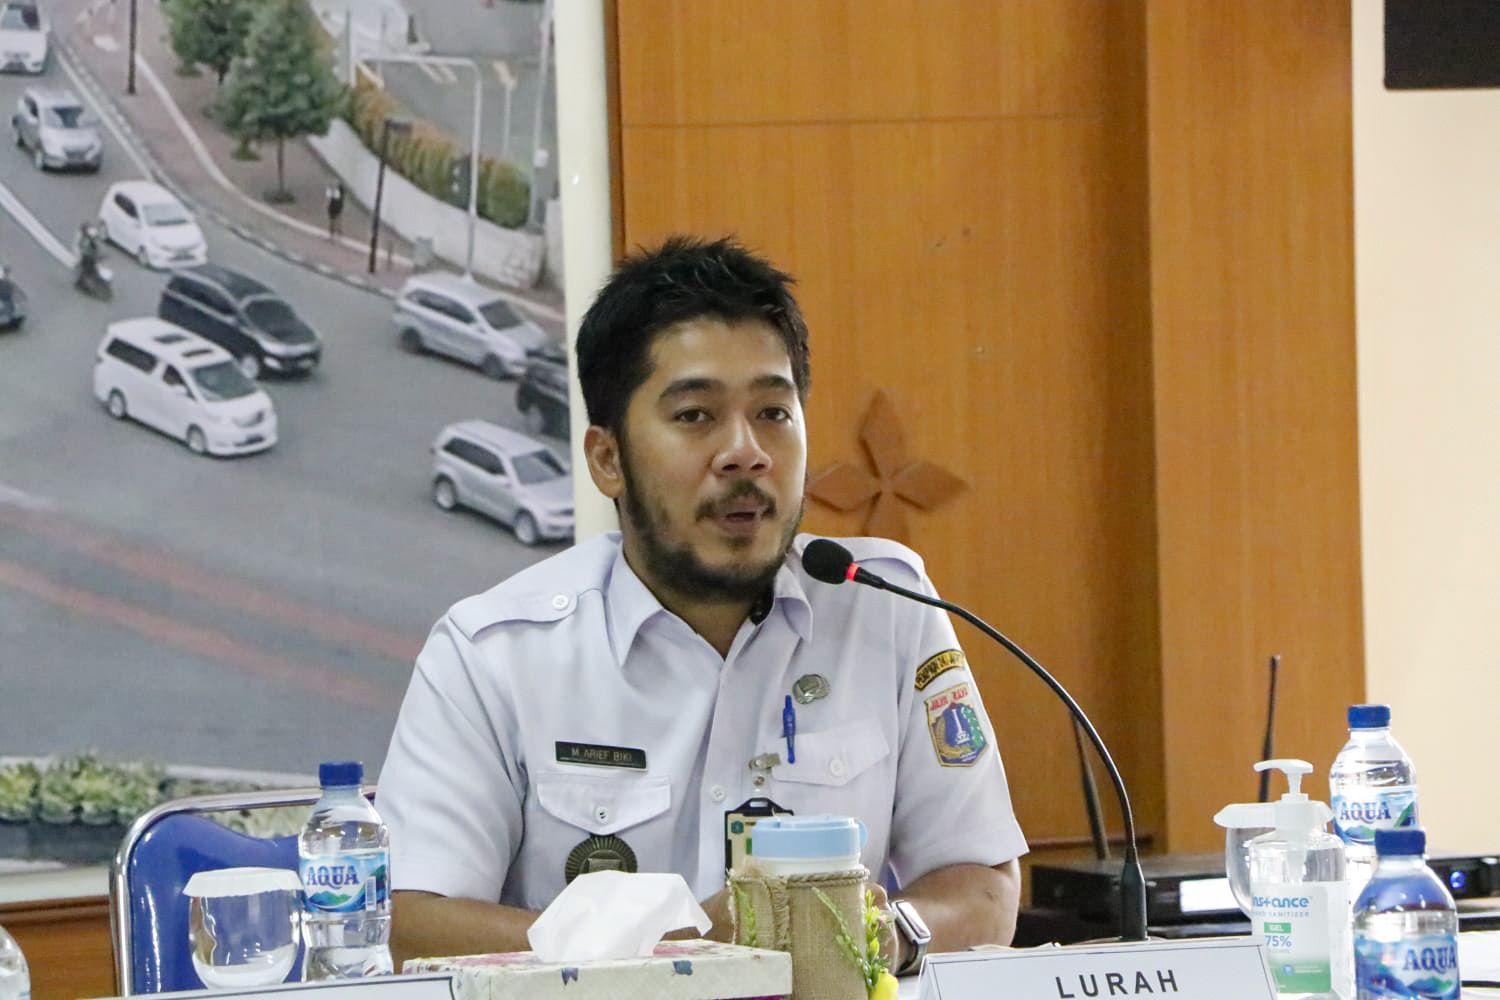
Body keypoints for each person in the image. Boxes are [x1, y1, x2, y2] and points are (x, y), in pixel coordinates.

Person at [380, 236, 1027, 971]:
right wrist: (685, 949)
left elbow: (983, 884)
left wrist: (886, 931)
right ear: (607, 459)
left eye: (774, 412)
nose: (746, 452)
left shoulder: (883, 605)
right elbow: (411, 926)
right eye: (695, 416)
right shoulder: (495, 653)